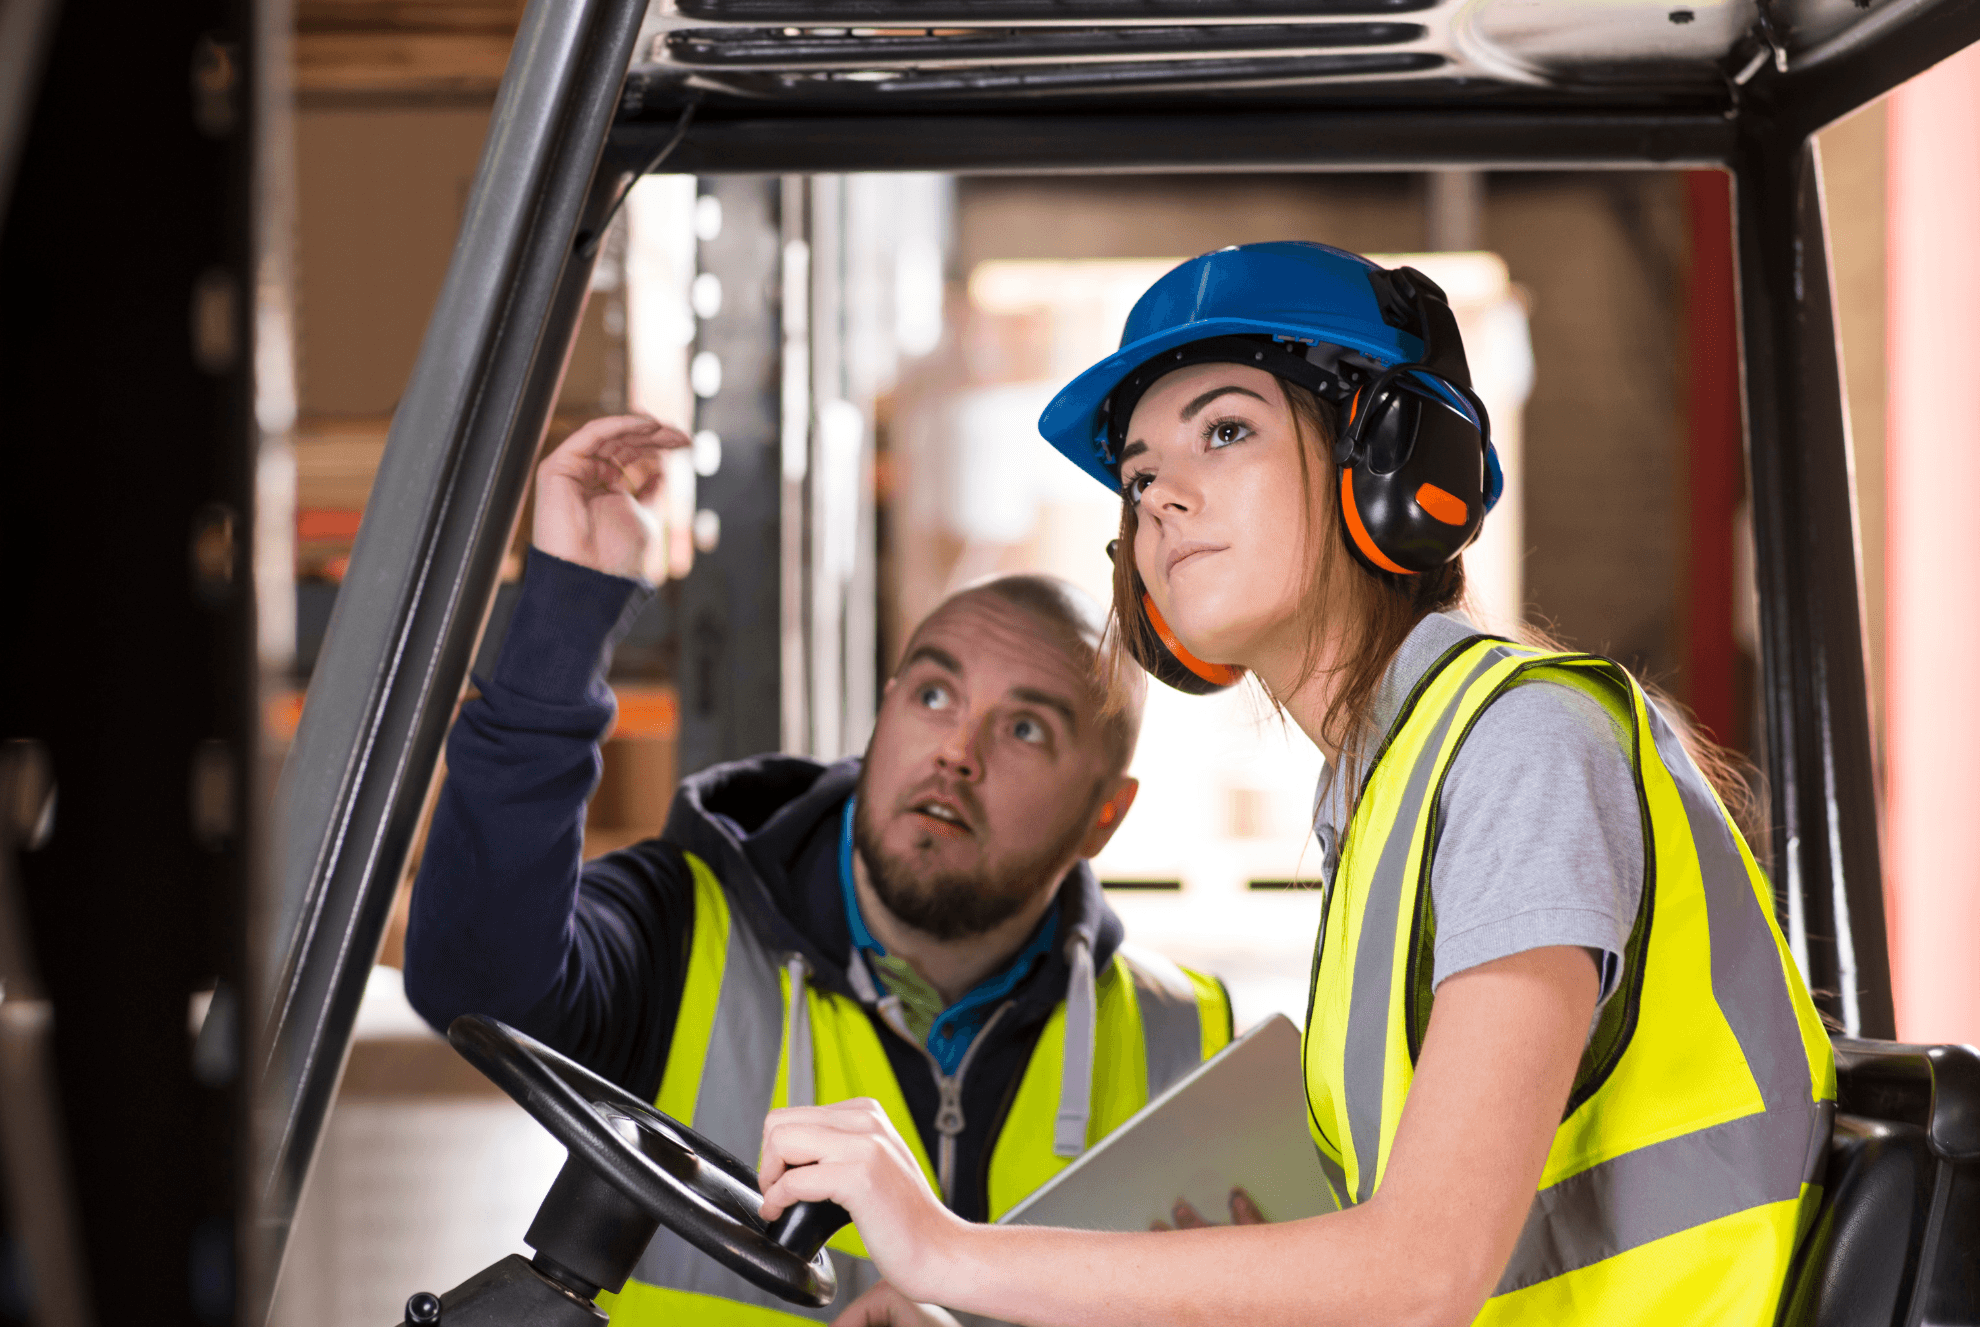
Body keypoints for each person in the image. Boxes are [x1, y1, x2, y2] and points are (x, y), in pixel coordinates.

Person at [755, 241, 1836, 1327]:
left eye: (1225, 431)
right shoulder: (1383, 793)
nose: (1162, 500)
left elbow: (1421, 1275)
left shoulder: (1523, 746)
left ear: (1389, 458)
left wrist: (950, 1253)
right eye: (1138, 476)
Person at [404, 413, 1235, 1323]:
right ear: (884, 714)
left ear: (1104, 815)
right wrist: (569, 611)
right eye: (933, 694)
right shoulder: (680, 929)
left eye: (1026, 728)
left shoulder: (1188, 1046)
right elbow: (473, 983)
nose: (957, 752)